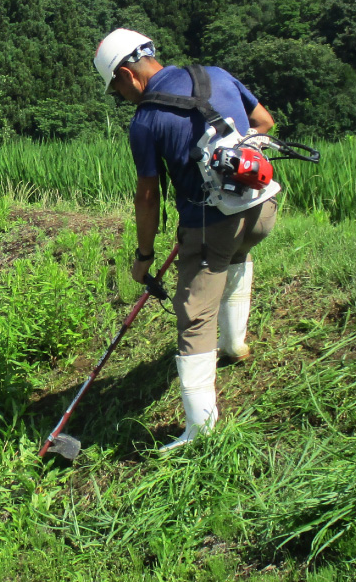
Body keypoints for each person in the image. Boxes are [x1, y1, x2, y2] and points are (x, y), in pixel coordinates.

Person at [94, 28, 277, 451]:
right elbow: (263, 123)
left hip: (211, 226)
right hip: (262, 206)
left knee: (193, 315)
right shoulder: (214, 73)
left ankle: (201, 432)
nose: (121, 97)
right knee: (237, 254)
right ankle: (233, 344)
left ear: (128, 75)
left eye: (116, 89)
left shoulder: (145, 121)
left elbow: (147, 197)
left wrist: (143, 256)